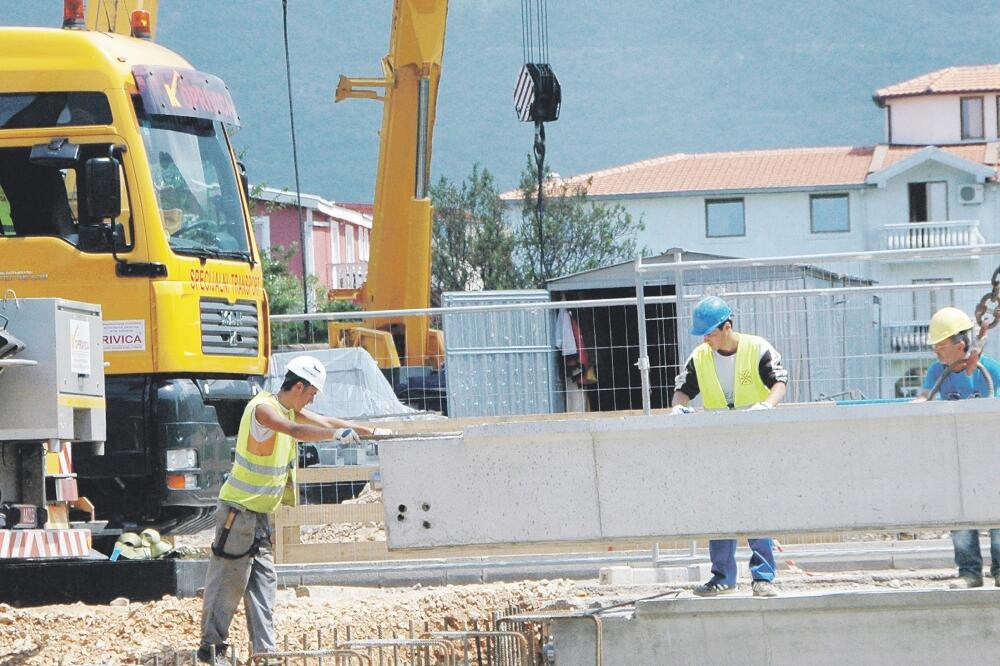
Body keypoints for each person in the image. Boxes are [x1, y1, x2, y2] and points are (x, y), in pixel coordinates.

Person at [198, 355, 392, 665]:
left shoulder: (287, 409)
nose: (312, 399)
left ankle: (264, 653)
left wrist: (373, 431)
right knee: (227, 584)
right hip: (238, 512)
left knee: (263, 586)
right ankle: (210, 650)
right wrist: (334, 436)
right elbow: (294, 430)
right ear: (299, 386)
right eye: (312, 393)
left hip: (259, 516)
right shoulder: (263, 409)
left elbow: (326, 422)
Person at [670, 296, 788, 598]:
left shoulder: (757, 348)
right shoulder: (700, 356)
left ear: (727, 327)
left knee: (756, 506)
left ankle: (763, 578)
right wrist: (679, 408)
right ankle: (723, 577)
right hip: (717, 443)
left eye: (709, 333)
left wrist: (766, 406)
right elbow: (682, 391)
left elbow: (779, 383)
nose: (705, 339)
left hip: (754, 440)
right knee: (719, 508)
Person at [912, 307, 1000, 590]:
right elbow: (925, 396)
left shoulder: (991, 370)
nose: (935, 351)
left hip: (990, 455)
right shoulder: (939, 371)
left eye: (940, 345)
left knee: (997, 514)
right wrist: (915, 407)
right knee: (961, 515)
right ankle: (969, 572)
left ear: (959, 345)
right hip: (957, 456)